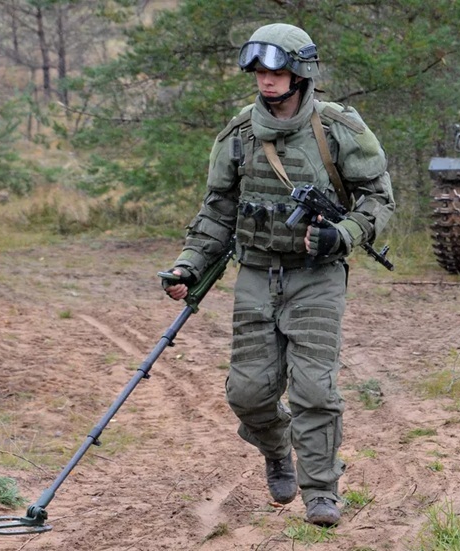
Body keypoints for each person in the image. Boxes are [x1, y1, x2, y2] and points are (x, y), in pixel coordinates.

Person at [160, 23, 395, 527]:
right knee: (247, 394)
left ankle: (321, 491)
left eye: (277, 71)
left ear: (300, 73)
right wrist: (189, 264)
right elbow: (217, 211)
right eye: (258, 72)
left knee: (314, 390)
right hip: (255, 274)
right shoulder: (239, 133)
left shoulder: (338, 128)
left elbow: (379, 200)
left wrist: (342, 234)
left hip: (316, 277)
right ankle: (276, 448)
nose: (266, 80)